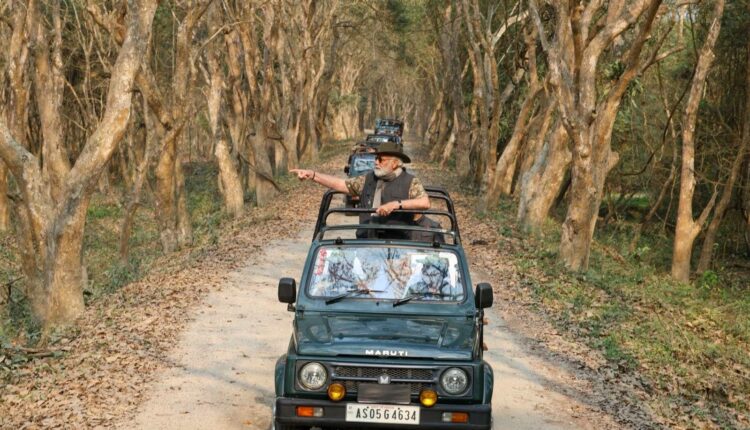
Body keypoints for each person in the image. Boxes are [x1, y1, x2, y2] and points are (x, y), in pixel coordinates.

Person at [290, 142, 430, 238]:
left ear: (394, 163)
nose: (376, 162)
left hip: (398, 245)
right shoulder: (367, 179)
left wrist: (396, 204)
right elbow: (341, 184)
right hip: (365, 243)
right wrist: (313, 175)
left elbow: (424, 202)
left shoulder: (410, 181)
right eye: (376, 158)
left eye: (381, 159)